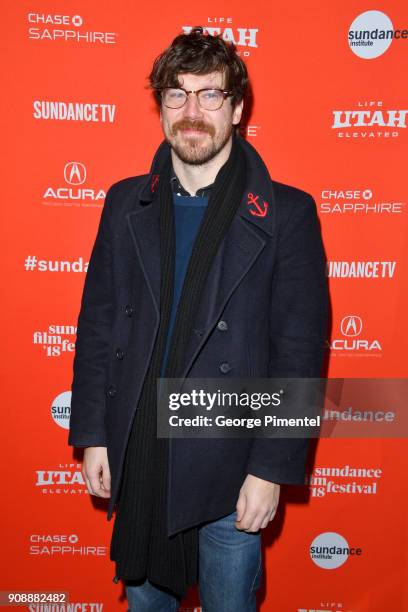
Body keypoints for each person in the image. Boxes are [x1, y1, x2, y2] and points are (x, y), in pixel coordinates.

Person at [68, 27, 328, 612]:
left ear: (237, 108)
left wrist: (270, 469)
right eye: (176, 95)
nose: (191, 113)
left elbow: (298, 352)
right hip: (139, 453)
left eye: (210, 95)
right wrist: (93, 435)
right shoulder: (123, 202)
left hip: (231, 469)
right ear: (160, 106)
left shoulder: (287, 213)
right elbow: (100, 323)